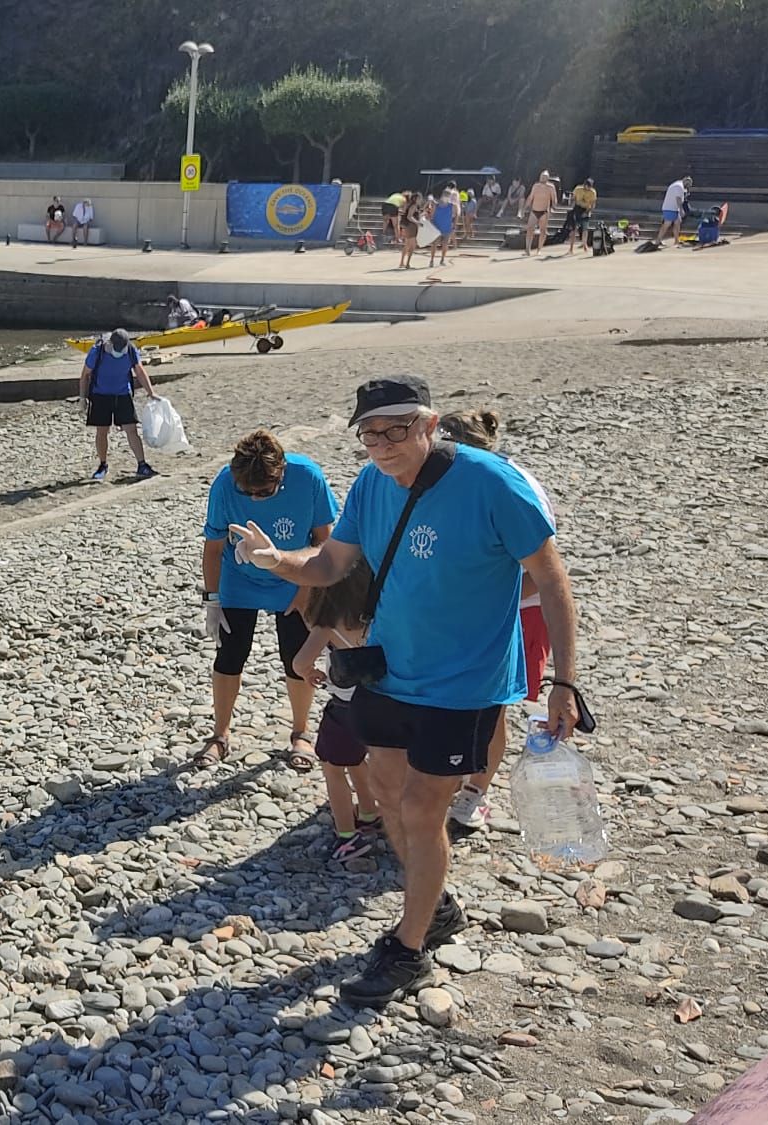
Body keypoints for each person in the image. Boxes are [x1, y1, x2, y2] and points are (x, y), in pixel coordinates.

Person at [228, 374, 584, 1007]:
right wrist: (273, 560)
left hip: (464, 683)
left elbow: (553, 582)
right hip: (388, 670)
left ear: (429, 423)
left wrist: (562, 682)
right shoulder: (370, 482)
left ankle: (409, 949)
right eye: (369, 433)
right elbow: (331, 565)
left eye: (395, 428)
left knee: (422, 810)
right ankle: (436, 902)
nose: (382, 444)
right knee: (389, 796)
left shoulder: (493, 484)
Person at [436, 409, 554, 832]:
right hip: (458, 610)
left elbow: (543, 574)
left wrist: (477, 599)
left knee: (492, 707)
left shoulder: (513, 485)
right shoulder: (442, 483)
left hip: (515, 613)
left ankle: (474, 792)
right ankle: (444, 781)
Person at [197, 430, 338, 771]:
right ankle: (220, 734)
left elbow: (326, 541)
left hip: (294, 576)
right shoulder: (225, 484)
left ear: (282, 473)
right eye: (249, 493)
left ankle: (301, 732)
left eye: (265, 491)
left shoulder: (308, 477)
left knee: (296, 656)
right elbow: (213, 549)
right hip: (239, 578)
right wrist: (212, 601)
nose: (256, 498)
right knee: (229, 654)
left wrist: (307, 590)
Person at [292, 559, 383, 863]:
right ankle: (369, 812)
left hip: (345, 709)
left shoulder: (329, 625)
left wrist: (311, 674)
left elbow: (300, 662)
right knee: (359, 760)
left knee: (334, 767)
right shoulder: (383, 619)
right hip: (383, 704)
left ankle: (347, 835)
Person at [78, 329, 157, 482]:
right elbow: (85, 375)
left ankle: (142, 465)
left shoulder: (131, 350)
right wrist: (82, 398)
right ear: (110, 343)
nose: (120, 351)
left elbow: (139, 371)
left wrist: (151, 392)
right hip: (100, 395)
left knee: (131, 430)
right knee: (102, 431)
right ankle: (103, 465)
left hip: (122, 394)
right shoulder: (97, 351)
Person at [524, 172, 558, 255]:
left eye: (544, 177)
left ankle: (539, 249)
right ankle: (527, 248)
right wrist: (525, 207)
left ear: (547, 178)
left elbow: (554, 199)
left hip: (544, 211)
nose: (542, 178)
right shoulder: (536, 186)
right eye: (542, 176)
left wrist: (554, 207)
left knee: (543, 231)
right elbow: (531, 197)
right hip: (534, 210)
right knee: (530, 228)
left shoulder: (551, 187)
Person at [566, 177, 598, 255]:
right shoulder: (578, 189)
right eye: (587, 186)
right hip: (577, 208)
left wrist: (588, 212)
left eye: (590, 186)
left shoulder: (592, 192)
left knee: (585, 229)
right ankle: (571, 248)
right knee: (573, 229)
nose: (588, 188)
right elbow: (573, 199)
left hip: (586, 209)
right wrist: (572, 207)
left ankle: (584, 245)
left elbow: (593, 204)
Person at [656, 175, 692, 244]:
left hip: (674, 208)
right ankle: (658, 240)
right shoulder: (679, 187)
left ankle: (676, 241)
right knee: (667, 224)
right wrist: (681, 210)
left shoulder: (679, 184)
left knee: (677, 223)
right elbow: (678, 199)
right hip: (670, 208)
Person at [428, 185, 456, 268]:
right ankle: (432, 260)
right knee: (434, 245)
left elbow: (454, 216)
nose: (447, 197)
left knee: (445, 245)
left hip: (446, 228)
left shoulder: (452, 206)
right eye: (446, 195)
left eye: (448, 195)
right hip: (437, 228)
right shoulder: (436, 205)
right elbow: (431, 216)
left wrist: (453, 226)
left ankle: (442, 260)